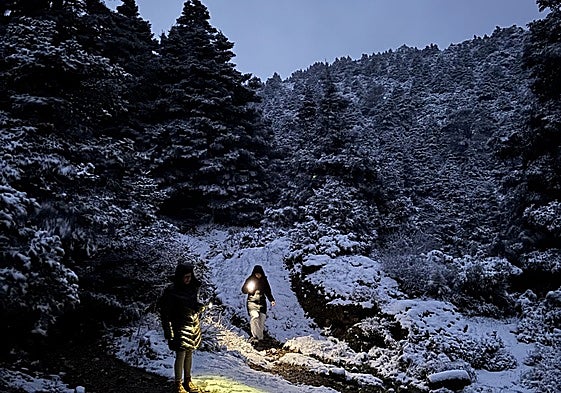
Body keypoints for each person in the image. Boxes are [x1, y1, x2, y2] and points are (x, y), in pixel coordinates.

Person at [158, 263, 204, 393]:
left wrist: (198, 307)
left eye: (189, 277)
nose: (188, 279)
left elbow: (192, 304)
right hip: (178, 326)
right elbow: (165, 313)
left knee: (189, 353)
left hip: (192, 326)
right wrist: (168, 331)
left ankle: (188, 380)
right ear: (180, 277)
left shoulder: (192, 288)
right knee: (181, 354)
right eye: (185, 277)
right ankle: (178, 383)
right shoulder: (171, 292)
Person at [241, 265, 276, 344]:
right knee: (255, 317)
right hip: (251, 302)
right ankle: (256, 336)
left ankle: (260, 338)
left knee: (261, 320)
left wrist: (271, 300)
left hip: (262, 302)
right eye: (256, 274)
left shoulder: (264, 280)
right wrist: (248, 289)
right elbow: (243, 290)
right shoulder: (250, 280)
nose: (258, 275)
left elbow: (268, 291)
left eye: (259, 274)